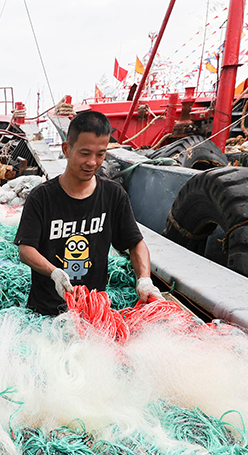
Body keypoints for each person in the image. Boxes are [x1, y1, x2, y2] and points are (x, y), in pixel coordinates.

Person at [14, 110, 163, 316]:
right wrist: (54, 273)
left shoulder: (113, 195)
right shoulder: (41, 197)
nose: (93, 162)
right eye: (85, 153)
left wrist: (144, 280)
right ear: (66, 149)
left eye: (100, 154)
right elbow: (26, 249)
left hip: (92, 310)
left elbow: (135, 243)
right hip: (45, 312)